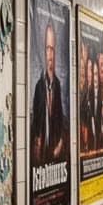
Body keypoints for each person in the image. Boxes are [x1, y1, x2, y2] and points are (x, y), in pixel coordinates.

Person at [30, 20, 68, 167]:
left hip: (55, 153)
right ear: (43, 51)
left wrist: (60, 143)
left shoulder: (57, 86)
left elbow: (60, 118)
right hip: (41, 155)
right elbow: (35, 124)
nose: (50, 54)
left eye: (52, 49)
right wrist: (36, 143)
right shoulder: (39, 87)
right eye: (47, 48)